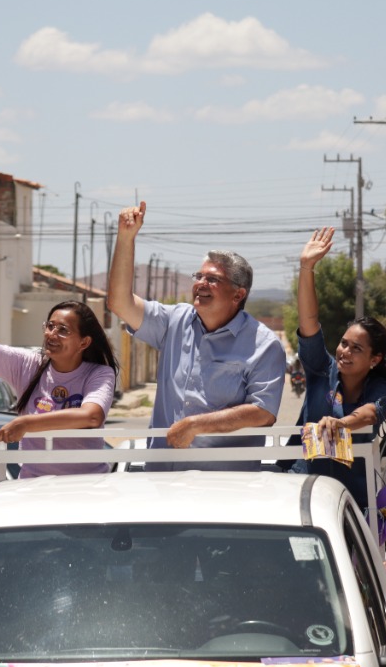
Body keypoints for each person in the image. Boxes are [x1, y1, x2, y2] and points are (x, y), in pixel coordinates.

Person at [107, 201, 286, 471]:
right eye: (199, 276)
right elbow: (119, 303)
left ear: (239, 294)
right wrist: (125, 238)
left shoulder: (264, 345)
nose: (200, 284)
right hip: (161, 478)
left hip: (223, 486)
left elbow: (263, 412)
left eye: (212, 279)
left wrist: (196, 425)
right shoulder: (174, 321)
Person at [0, 284, 118, 478]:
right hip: (33, 488)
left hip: (85, 487)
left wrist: (27, 423)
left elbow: (92, 416)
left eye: (63, 330)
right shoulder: (28, 363)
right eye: (50, 326)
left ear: (84, 343)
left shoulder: (99, 373)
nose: (51, 334)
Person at [287, 227, 386, 503]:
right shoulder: (321, 369)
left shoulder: (380, 386)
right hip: (303, 490)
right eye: (344, 343)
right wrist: (306, 267)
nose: (344, 351)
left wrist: (340, 423)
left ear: (375, 359)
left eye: (356, 348)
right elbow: (309, 322)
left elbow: (370, 413)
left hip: (351, 503)